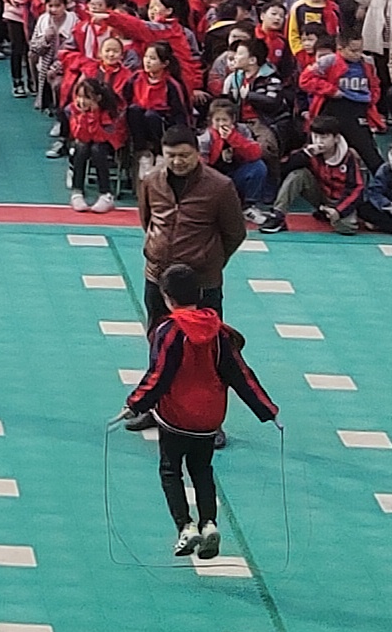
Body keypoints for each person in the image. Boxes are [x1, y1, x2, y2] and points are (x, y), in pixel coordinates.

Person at [119, 265, 281, 560]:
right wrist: (267, 410)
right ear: (201, 293)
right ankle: (209, 523)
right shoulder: (219, 332)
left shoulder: (169, 331)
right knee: (202, 470)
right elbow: (241, 375)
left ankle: (185, 526)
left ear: (166, 297)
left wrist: (134, 404)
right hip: (209, 419)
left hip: (175, 417)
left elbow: (159, 375)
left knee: (171, 470)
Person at [136, 129, 246, 325]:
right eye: (171, 155)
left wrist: (209, 259)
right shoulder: (151, 180)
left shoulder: (220, 186)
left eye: (184, 155)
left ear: (197, 152)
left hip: (201, 280)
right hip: (157, 276)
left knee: (205, 337)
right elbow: (148, 220)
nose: (177, 161)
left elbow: (235, 233)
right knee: (159, 336)